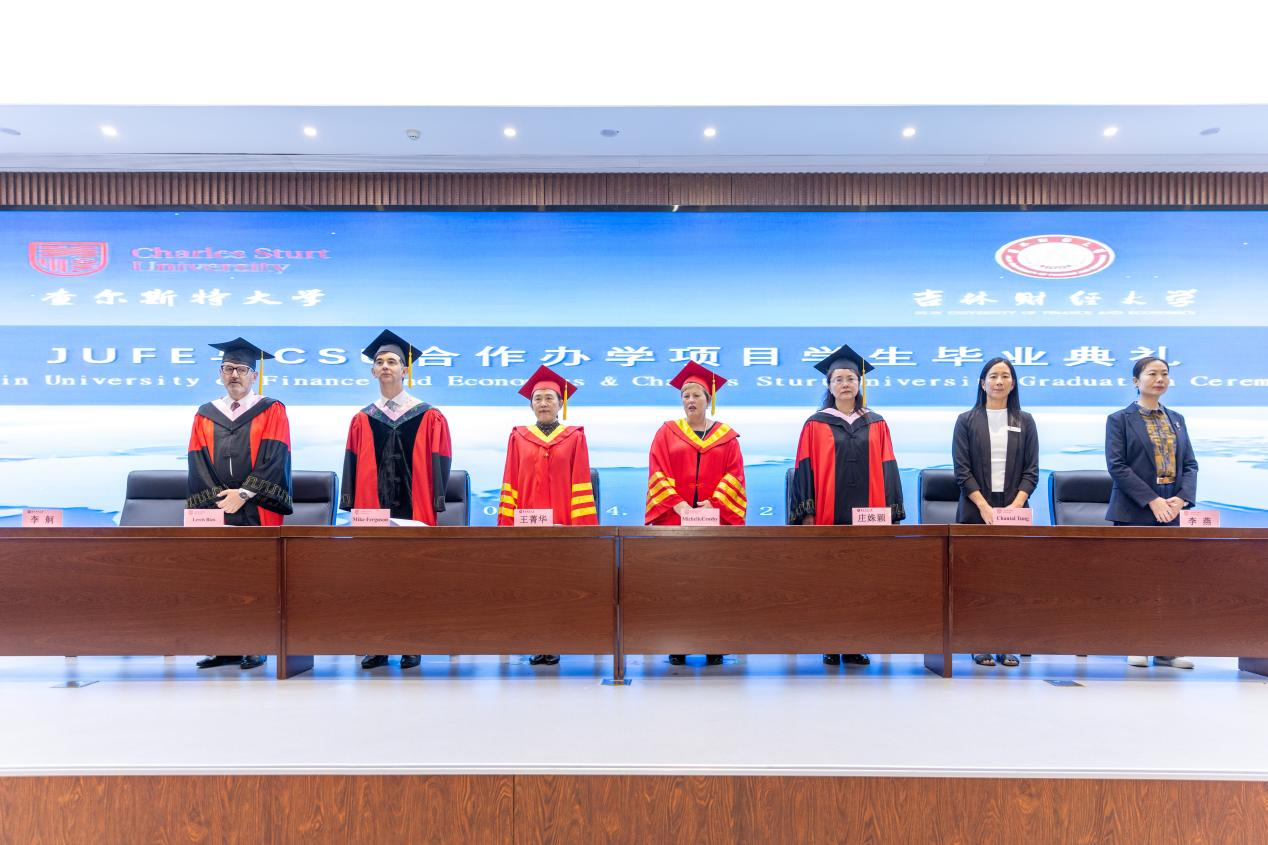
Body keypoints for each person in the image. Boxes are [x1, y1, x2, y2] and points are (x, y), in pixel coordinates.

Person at [341, 330, 452, 670]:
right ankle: (377, 643)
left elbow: (441, 461)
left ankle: (412, 643)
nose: (385, 366)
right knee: (374, 576)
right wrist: (351, 503)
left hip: (416, 506)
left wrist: (434, 501)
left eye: (392, 361)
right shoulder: (362, 418)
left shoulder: (428, 415)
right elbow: (351, 463)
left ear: (405, 370)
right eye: (380, 362)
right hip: (371, 509)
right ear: (373, 371)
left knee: (413, 576)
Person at [789, 343, 904, 667]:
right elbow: (805, 468)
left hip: (868, 516)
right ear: (829, 386)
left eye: (850, 378)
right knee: (829, 581)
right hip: (828, 515)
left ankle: (856, 643)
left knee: (862, 581)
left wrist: (892, 513)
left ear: (859, 383)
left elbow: (888, 466)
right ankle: (829, 641)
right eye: (838, 379)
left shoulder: (877, 423)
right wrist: (807, 513)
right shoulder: (815, 424)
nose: (844, 384)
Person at [187, 337, 293, 671]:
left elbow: (275, 457)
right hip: (219, 509)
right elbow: (198, 462)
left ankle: (257, 645)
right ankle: (225, 646)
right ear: (220, 373)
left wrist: (244, 493)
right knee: (218, 577)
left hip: (258, 506)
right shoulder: (205, 414)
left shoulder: (272, 410)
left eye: (242, 369)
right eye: (229, 368)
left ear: (254, 375)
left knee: (257, 577)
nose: (235, 375)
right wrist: (219, 500)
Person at [645, 361, 746, 666]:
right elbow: (657, 471)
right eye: (685, 395)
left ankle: (714, 643)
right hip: (675, 520)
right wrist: (678, 504)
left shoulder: (727, 437)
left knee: (715, 583)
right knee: (678, 583)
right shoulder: (666, 433)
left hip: (715, 521)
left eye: (696, 395)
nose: (690, 400)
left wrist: (715, 503)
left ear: (708, 399)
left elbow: (735, 475)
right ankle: (678, 643)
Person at [499, 365, 598, 666]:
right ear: (531, 404)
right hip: (527, 525)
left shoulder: (574, 437)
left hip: (562, 524)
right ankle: (535, 640)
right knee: (532, 584)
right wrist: (508, 524)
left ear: (560, 403)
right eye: (538, 398)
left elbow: (581, 481)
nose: (543, 403)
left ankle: (555, 640)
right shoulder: (518, 437)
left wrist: (579, 527)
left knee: (558, 584)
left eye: (549, 398)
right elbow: (511, 480)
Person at [1106, 355, 1199, 670]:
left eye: (1164, 374)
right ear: (1136, 381)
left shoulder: (1177, 419)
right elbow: (1117, 466)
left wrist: (1181, 499)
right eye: (1152, 374)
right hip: (1135, 511)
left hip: (1172, 510)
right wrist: (1151, 500)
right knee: (1135, 583)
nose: (1160, 379)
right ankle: (1136, 644)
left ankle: (1166, 648)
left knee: (1169, 583)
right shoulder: (1119, 419)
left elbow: (1190, 464)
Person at [952, 356, 1039, 668]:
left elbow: (1031, 471)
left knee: (1009, 581)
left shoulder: (1025, 420)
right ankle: (979, 642)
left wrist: (1014, 507)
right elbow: (962, 470)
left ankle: (1007, 642)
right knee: (977, 582)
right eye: (993, 376)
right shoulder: (966, 420)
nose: (999, 381)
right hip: (976, 509)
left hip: (1014, 510)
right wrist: (984, 507)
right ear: (982, 383)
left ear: (1013, 384)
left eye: (1005, 376)